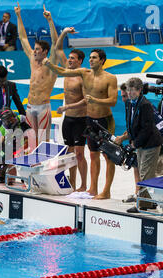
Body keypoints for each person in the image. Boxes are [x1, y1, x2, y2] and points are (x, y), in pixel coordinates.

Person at [44, 47, 118, 200]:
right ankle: (93, 188)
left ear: (102, 60)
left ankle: (107, 191)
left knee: (108, 156)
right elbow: (63, 72)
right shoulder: (85, 73)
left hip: (105, 121)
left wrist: (96, 100)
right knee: (93, 154)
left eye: (94, 58)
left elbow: (113, 101)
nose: (91, 60)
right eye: (90, 57)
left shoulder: (110, 78)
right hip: (90, 120)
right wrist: (49, 65)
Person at [114, 77, 162, 213]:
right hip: (141, 144)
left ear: (140, 90)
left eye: (133, 90)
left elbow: (147, 128)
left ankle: (144, 205)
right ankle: (149, 203)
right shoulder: (129, 103)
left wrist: (135, 144)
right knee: (144, 173)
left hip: (150, 144)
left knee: (145, 174)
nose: (130, 93)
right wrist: (130, 141)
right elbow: (130, 124)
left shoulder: (145, 105)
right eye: (128, 90)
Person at [14, 3, 60, 145]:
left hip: (43, 108)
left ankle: (44, 165)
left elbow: (56, 43)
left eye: (38, 49)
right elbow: (22, 38)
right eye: (34, 49)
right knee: (31, 139)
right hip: (30, 106)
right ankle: (33, 164)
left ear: (45, 52)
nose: (34, 51)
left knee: (43, 140)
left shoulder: (50, 64)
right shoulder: (33, 60)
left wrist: (50, 21)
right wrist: (18, 16)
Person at [54, 27, 87, 191]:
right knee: (69, 154)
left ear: (80, 61)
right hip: (68, 120)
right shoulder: (66, 71)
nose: (69, 60)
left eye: (73, 58)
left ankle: (84, 185)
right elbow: (58, 48)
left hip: (81, 120)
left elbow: (86, 101)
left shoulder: (84, 76)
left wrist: (67, 106)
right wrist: (65, 32)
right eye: (69, 58)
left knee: (80, 154)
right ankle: (72, 183)